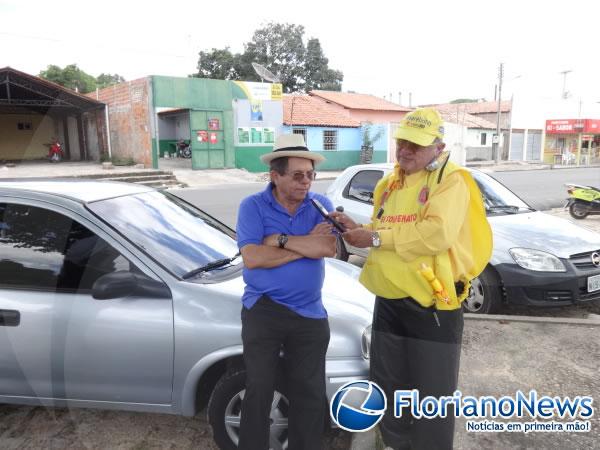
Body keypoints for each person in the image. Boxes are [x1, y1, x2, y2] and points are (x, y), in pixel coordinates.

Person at [331, 108, 493, 450]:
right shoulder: (389, 183)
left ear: (439, 147)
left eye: (415, 146)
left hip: (433, 305)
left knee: (432, 394)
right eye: (402, 142)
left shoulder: (452, 181)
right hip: (388, 299)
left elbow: (436, 234)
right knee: (389, 387)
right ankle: (393, 444)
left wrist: (375, 238)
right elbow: (384, 227)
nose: (405, 151)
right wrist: (361, 230)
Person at [236, 133, 337, 450]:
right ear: (275, 176)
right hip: (263, 310)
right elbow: (252, 258)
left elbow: (327, 248)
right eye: (297, 175)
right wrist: (306, 246)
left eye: (310, 175)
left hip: (309, 312)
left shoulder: (322, 206)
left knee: (309, 393)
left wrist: (278, 240)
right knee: (260, 388)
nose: (305, 182)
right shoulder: (252, 206)